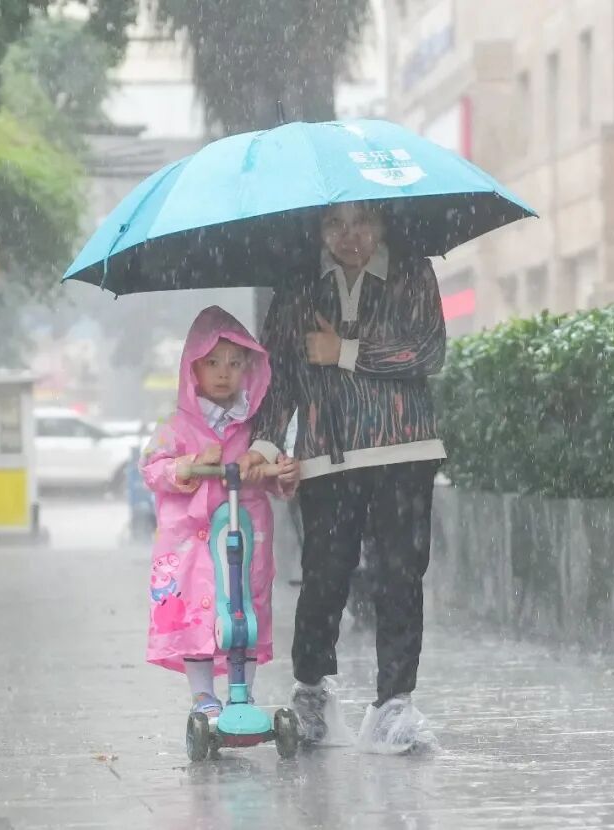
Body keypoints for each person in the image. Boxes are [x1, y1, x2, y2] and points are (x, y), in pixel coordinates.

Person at [243, 201, 447, 750]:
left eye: (362, 222)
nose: (349, 235)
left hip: (404, 448)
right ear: (317, 229)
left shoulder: (412, 271)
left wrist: (345, 351)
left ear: (383, 224)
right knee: (323, 578)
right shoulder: (298, 286)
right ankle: (311, 693)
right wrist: (263, 444)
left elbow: (429, 351)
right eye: (335, 223)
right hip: (325, 457)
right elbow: (279, 375)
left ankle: (395, 704)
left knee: (400, 578)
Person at [139, 306, 299, 717]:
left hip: (244, 537)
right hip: (191, 544)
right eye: (212, 363)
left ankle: (243, 694)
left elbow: (266, 474)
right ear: (193, 369)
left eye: (234, 363)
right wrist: (189, 465)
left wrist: (278, 473)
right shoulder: (175, 427)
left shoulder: (252, 428)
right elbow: (152, 470)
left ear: (250, 368)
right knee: (197, 610)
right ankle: (203, 695)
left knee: (243, 608)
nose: (224, 373)